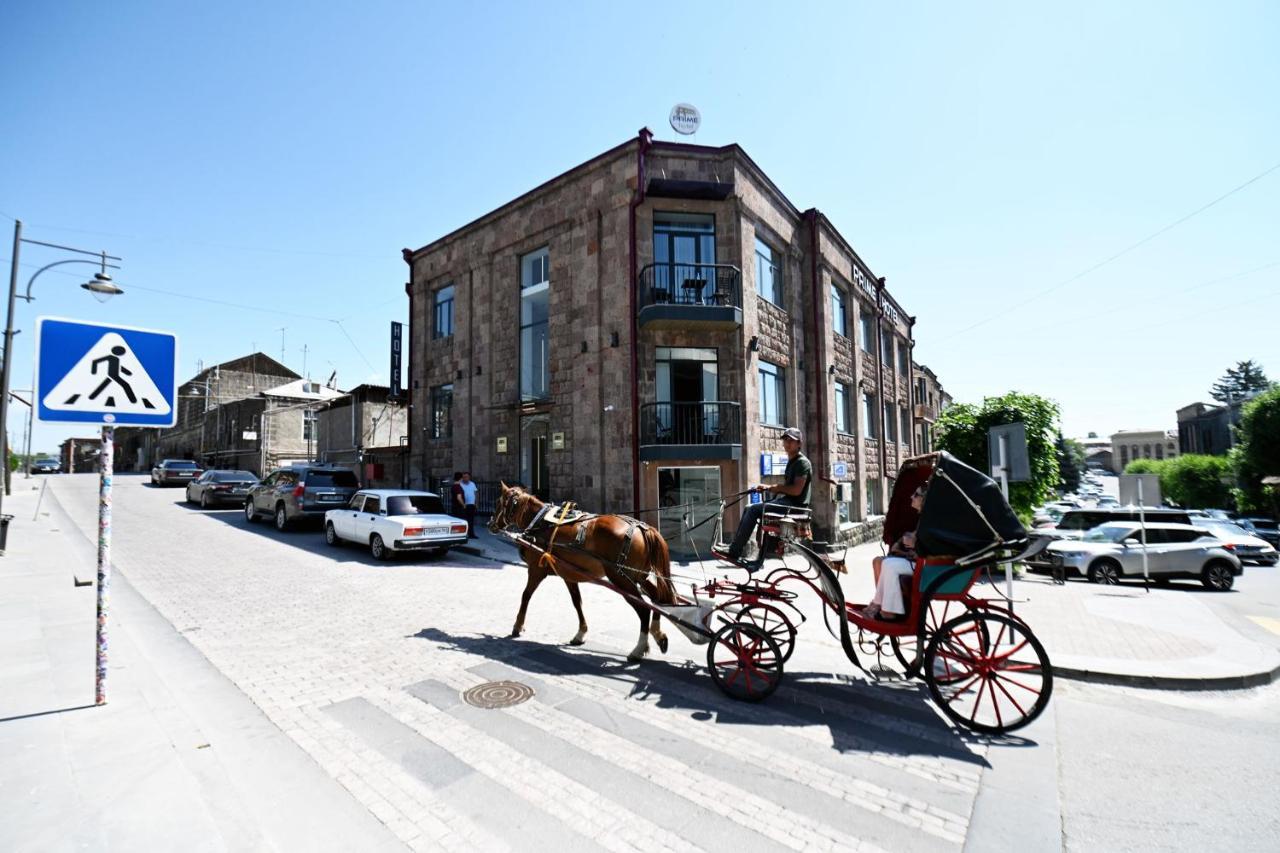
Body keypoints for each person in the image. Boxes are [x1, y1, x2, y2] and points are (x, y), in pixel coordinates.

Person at [718, 427, 812, 570]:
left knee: (754, 509)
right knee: (750, 507)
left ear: (799, 444)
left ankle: (734, 552)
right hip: (788, 503)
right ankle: (742, 552)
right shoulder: (792, 461)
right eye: (785, 440)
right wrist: (770, 487)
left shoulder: (802, 463)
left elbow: (796, 490)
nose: (787, 443)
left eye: (791, 441)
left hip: (795, 507)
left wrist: (773, 487)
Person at [860, 483, 928, 621]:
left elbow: (928, 544)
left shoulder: (929, 520)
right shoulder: (924, 519)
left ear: (924, 499)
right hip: (919, 561)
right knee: (881, 562)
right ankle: (881, 604)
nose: (911, 497)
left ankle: (887, 610)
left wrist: (914, 544)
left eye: (916, 495)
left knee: (890, 565)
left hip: (926, 565)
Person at [459, 471, 478, 538]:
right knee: (464, 521)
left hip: (471, 505)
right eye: (464, 477)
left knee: (471, 521)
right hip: (464, 505)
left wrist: (476, 503)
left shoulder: (472, 484)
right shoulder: (460, 484)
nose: (465, 478)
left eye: (466, 477)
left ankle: (471, 534)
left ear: (469, 477)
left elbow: (475, 493)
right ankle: (464, 534)